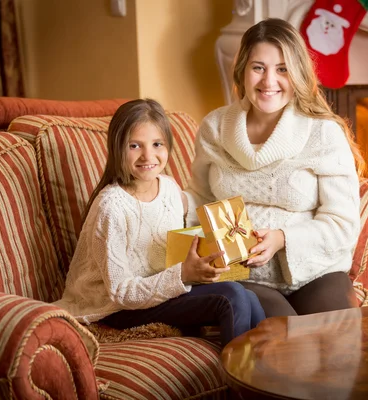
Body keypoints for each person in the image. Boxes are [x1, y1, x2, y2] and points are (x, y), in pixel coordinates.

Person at [184, 18, 365, 317]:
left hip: (317, 271)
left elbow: (343, 224)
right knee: (288, 345)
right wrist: (157, 199)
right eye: (258, 67)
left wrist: (283, 239)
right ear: (242, 71)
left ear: (297, 75)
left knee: (340, 341)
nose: (269, 81)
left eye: (282, 69)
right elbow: (200, 199)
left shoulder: (322, 132)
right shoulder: (215, 127)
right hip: (244, 275)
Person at [54, 98, 265, 346]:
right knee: (232, 297)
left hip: (159, 291)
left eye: (157, 144)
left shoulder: (167, 187)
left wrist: (237, 245)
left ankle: (265, 373)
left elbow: (180, 240)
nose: (148, 155)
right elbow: (121, 293)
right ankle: (241, 380)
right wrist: (184, 273)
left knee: (249, 297)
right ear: (117, 147)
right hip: (116, 309)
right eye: (135, 145)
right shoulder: (112, 207)